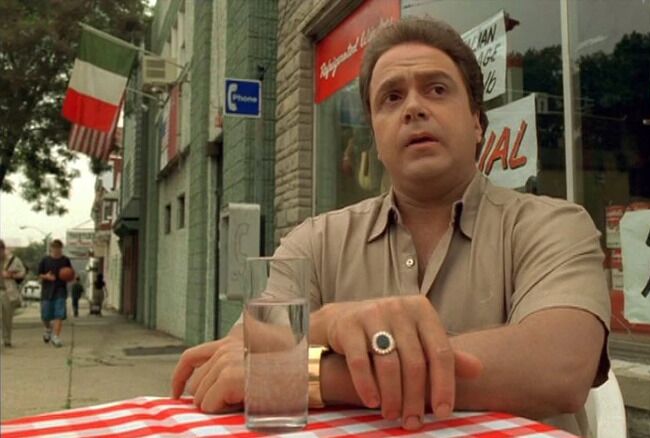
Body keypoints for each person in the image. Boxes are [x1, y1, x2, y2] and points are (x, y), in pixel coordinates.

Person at [172, 17, 610, 434]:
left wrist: (316, 372)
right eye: (392, 97)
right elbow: (234, 361)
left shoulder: (553, 226)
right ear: (376, 138)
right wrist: (327, 324)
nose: (414, 107)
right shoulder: (314, 242)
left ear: (477, 122)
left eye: (437, 89)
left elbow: (560, 366)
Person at [38, 239, 72, 348]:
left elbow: (70, 273)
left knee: (59, 314)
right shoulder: (45, 260)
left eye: (59, 248)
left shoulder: (65, 260)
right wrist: (46, 276)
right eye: (54, 248)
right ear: (51, 248)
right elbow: (39, 275)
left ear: (61, 249)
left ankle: (56, 336)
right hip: (47, 291)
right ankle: (48, 328)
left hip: (60, 290)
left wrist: (69, 276)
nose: (56, 250)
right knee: (45, 315)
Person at [1, 239, 27, 347]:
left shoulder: (13, 260)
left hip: (7, 291)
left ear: (3, 249)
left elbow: (23, 273)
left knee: (7, 317)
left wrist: (11, 275)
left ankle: (7, 339)